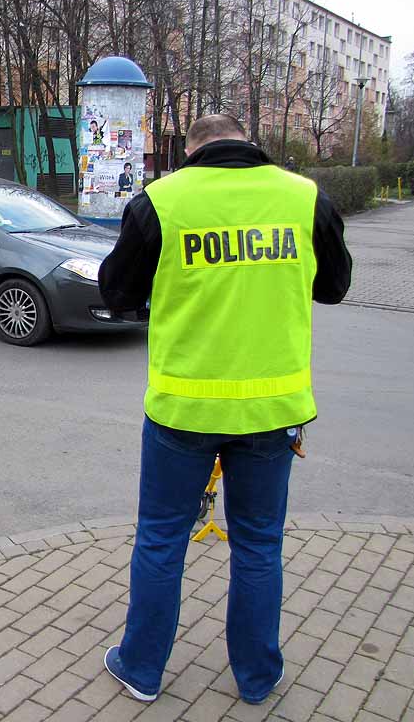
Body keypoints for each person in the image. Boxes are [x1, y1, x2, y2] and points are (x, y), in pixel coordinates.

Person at [97, 114, 351, 705]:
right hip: (271, 410)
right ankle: (258, 678)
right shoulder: (304, 198)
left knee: (162, 540)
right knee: (259, 544)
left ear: (192, 150)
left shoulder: (160, 202)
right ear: (246, 142)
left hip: (182, 410)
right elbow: (335, 286)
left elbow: (116, 291)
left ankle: (140, 669)